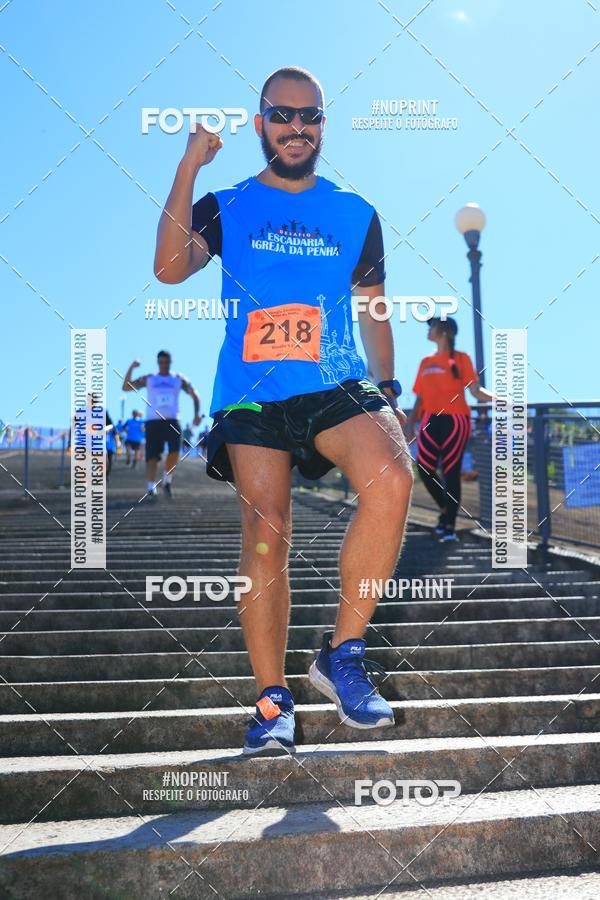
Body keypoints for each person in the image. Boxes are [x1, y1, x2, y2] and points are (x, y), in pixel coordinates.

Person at [153, 65, 413, 755]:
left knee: (391, 478)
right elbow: (170, 267)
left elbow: (375, 308)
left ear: (323, 125)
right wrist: (188, 165)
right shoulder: (226, 202)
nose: (297, 127)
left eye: (310, 116)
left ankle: (343, 655)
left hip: (335, 381)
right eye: (282, 114)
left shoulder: (355, 211)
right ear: (261, 121)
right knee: (266, 533)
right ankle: (273, 703)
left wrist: (389, 390)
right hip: (252, 391)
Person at [406, 317, 493, 542]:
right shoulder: (425, 361)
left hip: (456, 420)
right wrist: (409, 425)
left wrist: (504, 400)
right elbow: (419, 397)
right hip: (429, 420)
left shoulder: (461, 358)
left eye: (432, 325)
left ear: (444, 331)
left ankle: (449, 528)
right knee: (424, 468)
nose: (428, 329)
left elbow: (476, 392)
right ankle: (446, 509)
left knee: (451, 472)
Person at [122, 350, 201, 499]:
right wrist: (132, 367)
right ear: (158, 362)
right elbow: (126, 387)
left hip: (172, 420)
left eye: (166, 362)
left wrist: (197, 414)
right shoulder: (150, 378)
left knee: (175, 451)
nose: (164, 365)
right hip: (153, 421)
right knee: (152, 456)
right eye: (161, 362)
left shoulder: (178, 378)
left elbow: (195, 395)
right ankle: (151, 487)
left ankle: (167, 480)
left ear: (170, 362)